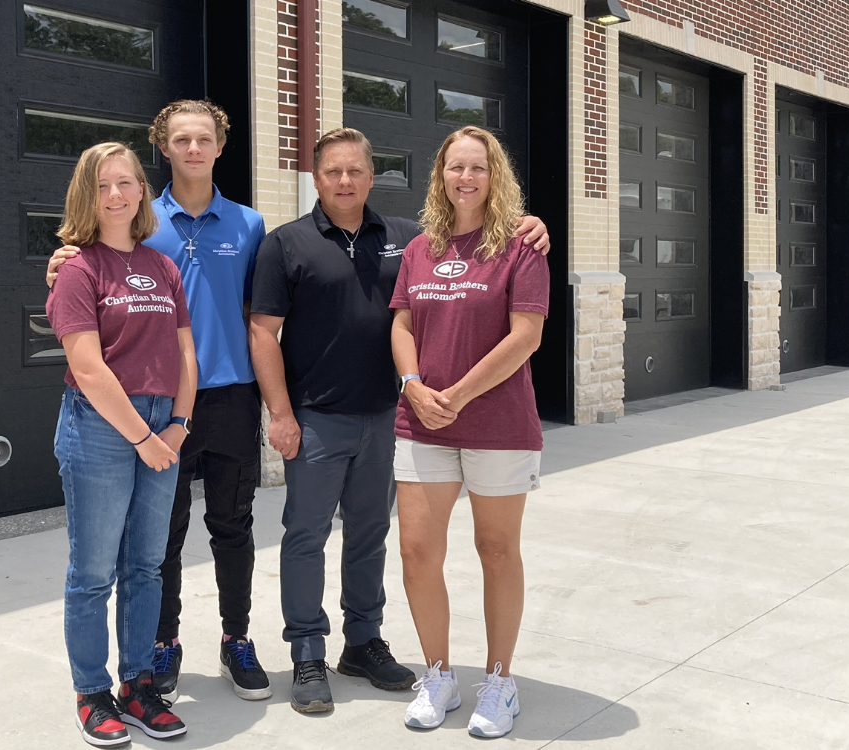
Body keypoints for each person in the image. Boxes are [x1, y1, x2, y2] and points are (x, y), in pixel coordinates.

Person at [248, 127, 551, 714]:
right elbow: (263, 331)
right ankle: (308, 650)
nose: (345, 181)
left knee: (373, 535)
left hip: (389, 415)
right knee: (307, 536)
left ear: (372, 174)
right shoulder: (286, 243)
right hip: (321, 417)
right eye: (333, 171)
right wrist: (281, 414)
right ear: (316, 177)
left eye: (356, 170)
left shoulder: (406, 238)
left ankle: (362, 641)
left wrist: (534, 223)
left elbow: (505, 311)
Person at [47, 101, 271, 702]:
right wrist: (61, 260)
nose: (193, 148)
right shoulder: (145, 224)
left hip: (226, 397)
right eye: (181, 140)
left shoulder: (249, 224)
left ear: (221, 146)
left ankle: (236, 639)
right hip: (147, 404)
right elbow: (90, 277)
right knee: (159, 538)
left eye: (204, 139)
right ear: (163, 149)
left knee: (233, 525)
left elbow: (258, 317)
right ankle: (160, 646)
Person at [390, 126, 548, 738]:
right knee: (417, 552)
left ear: (494, 175)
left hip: (499, 425)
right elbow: (402, 324)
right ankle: (438, 676)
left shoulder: (520, 246)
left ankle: (500, 683)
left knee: (498, 551)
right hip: (422, 420)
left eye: (477, 168)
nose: (466, 178)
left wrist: (458, 394)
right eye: (455, 167)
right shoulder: (419, 250)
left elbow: (526, 336)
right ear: (441, 176)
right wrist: (413, 385)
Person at [47, 141, 197, 747]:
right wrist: (142, 437)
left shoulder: (162, 266)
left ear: (142, 191)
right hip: (102, 428)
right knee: (94, 571)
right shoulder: (78, 269)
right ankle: (92, 693)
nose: (116, 194)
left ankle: (138, 686)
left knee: (147, 565)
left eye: (127, 182)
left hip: (164, 424)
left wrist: (179, 424)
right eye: (104, 184)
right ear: (89, 193)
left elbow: (186, 351)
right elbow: (87, 366)